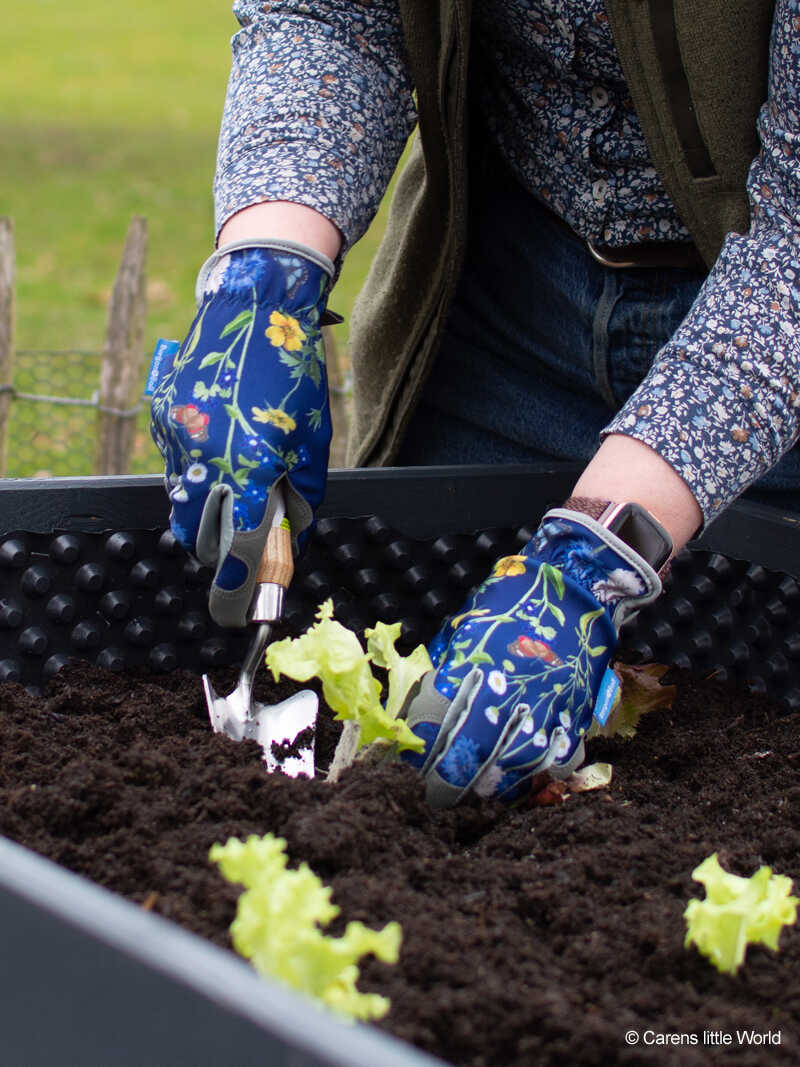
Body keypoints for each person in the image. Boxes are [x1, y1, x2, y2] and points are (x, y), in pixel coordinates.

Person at [151, 1, 800, 806]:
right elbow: (334, 17)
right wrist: (265, 275)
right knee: (437, 694)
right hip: (508, 293)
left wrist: (592, 562)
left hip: (772, 339)